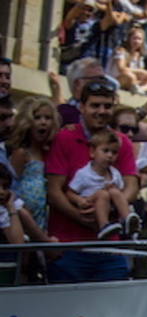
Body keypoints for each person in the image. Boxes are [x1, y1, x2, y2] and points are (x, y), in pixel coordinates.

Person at [45, 79, 139, 282]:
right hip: (69, 245)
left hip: (110, 248)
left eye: (107, 106)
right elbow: (54, 191)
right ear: (81, 107)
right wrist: (81, 216)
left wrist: (113, 204)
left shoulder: (121, 142)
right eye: (95, 105)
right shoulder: (64, 137)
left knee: (113, 310)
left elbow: (132, 185)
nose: (101, 111)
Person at [66, 128, 139, 239]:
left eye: (114, 152)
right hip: (91, 202)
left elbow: (121, 192)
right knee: (102, 194)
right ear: (92, 152)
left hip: (109, 205)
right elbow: (70, 192)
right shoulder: (84, 174)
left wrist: (113, 190)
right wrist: (79, 200)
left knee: (113, 192)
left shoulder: (115, 174)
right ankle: (103, 225)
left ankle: (126, 218)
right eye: (105, 151)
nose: (110, 156)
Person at [7, 96, 60, 231]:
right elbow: (11, 186)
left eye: (47, 118)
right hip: (22, 216)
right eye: (37, 118)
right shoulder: (21, 153)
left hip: (42, 217)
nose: (43, 122)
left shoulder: (49, 153)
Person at [107, 25, 147, 95]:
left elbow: (140, 75)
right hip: (116, 79)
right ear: (129, 39)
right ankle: (144, 90)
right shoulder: (121, 50)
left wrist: (145, 76)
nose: (136, 41)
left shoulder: (139, 56)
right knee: (130, 76)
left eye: (139, 39)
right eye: (134, 38)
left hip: (133, 83)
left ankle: (142, 90)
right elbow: (121, 69)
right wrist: (141, 71)